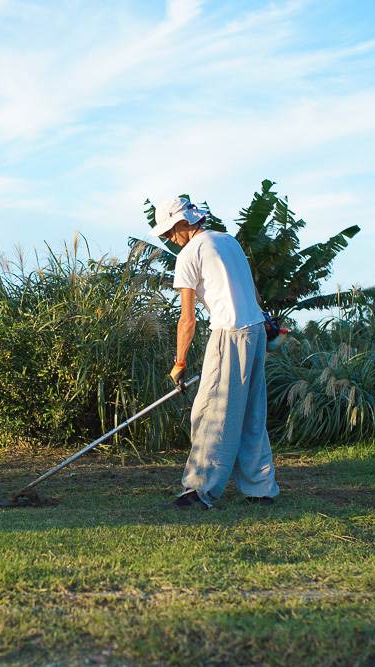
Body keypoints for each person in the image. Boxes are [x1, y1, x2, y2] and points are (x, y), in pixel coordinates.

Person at [151, 196, 279, 510]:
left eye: (169, 231)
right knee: (251, 413)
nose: (169, 238)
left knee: (211, 411)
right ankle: (260, 489)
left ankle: (199, 491)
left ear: (184, 222)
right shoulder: (228, 241)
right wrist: (266, 324)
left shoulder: (189, 254)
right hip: (256, 330)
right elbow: (253, 292)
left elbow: (187, 319)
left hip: (230, 333)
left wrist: (179, 363)